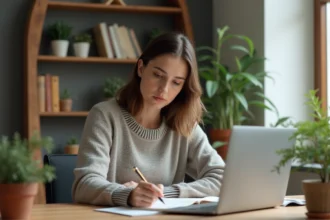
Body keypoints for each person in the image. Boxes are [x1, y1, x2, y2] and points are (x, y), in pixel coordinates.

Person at [72, 32, 225, 208]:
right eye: (158, 75)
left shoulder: (184, 124)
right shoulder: (104, 115)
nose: (164, 89)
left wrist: (165, 193)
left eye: (176, 82)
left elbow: (222, 178)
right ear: (141, 68)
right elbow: (83, 185)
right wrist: (128, 195)